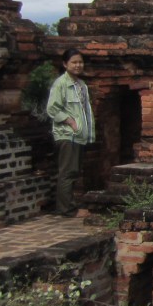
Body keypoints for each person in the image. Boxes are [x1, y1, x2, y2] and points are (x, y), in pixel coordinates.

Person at [45, 47, 95, 217]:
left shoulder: (81, 85)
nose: (78, 65)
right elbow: (52, 109)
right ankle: (66, 209)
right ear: (65, 64)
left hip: (78, 135)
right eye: (74, 62)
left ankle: (69, 205)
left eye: (80, 62)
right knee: (68, 172)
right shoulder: (61, 84)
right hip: (67, 134)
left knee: (74, 171)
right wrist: (70, 121)